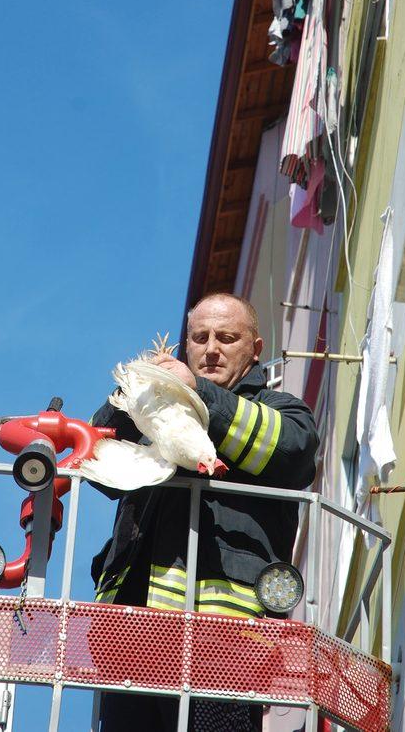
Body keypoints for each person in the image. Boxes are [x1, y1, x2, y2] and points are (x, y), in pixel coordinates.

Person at [90, 292, 319, 732]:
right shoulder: (154, 409)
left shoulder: (281, 409)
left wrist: (200, 395)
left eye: (227, 337)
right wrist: (136, 387)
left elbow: (291, 452)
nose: (211, 348)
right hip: (129, 633)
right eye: (199, 337)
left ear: (255, 349)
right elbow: (95, 462)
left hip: (226, 641)